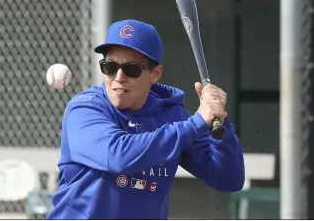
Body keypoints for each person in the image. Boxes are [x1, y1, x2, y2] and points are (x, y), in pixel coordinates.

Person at [47, 19, 245, 220]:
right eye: (110, 66)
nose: (119, 77)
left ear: (155, 74)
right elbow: (118, 156)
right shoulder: (85, 109)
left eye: (132, 69)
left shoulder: (171, 117)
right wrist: (198, 121)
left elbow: (228, 179)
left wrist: (218, 121)